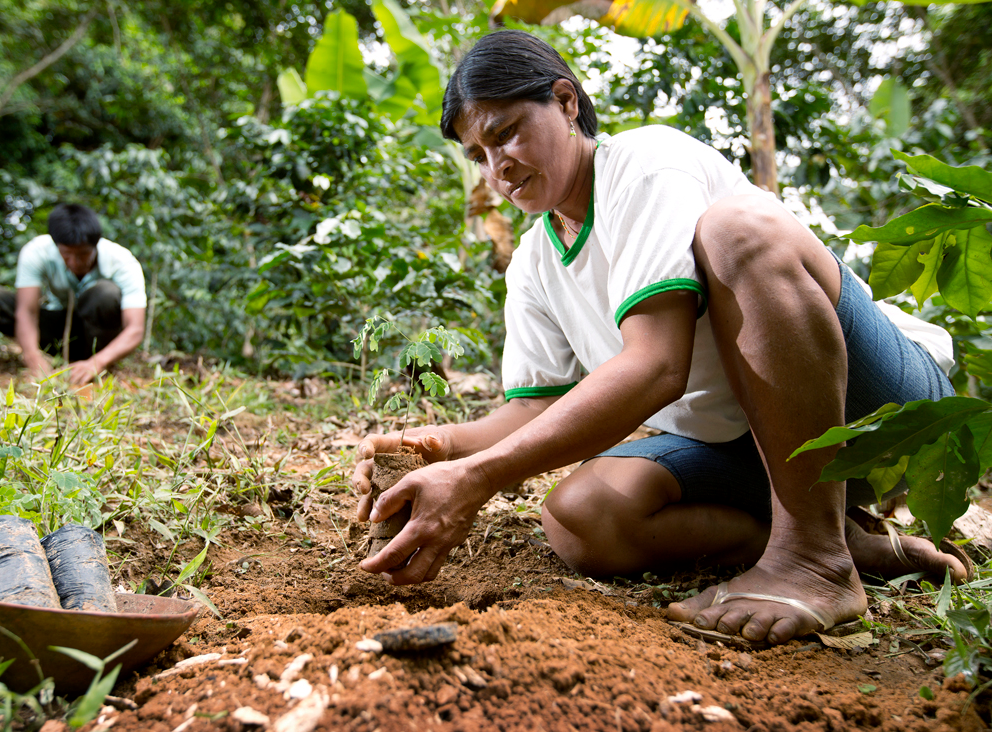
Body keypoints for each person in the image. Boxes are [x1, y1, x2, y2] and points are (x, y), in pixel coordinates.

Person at [352, 29, 970, 646]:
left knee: (737, 228)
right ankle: (842, 538)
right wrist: (437, 449)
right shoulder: (534, 262)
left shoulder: (645, 166)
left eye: (506, 132)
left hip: (879, 410)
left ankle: (814, 558)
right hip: (757, 447)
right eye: (477, 154)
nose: (497, 167)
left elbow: (657, 366)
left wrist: (478, 479)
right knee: (580, 517)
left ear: (566, 103)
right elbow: (534, 409)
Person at [0, 203, 146, 387]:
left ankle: (87, 362)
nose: (75, 262)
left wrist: (97, 362)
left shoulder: (122, 261)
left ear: (96, 245)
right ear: (56, 244)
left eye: (83, 254)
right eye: (67, 254)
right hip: (55, 330)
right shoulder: (37, 251)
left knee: (105, 293)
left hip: (96, 339)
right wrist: (32, 356)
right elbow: (26, 312)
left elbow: (135, 328)